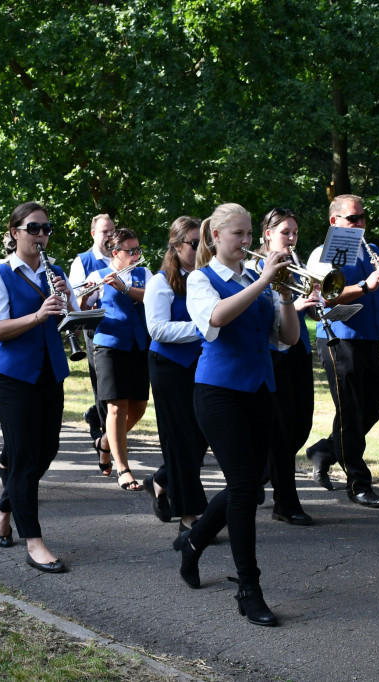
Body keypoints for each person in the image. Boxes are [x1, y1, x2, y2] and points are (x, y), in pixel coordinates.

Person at [176, 202, 298, 626]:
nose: (247, 242)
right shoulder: (200, 279)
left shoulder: (258, 281)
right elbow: (214, 320)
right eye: (238, 235)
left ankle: (194, 542)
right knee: (245, 489)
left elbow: (287, 339)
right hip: (218, 391)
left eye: (249, 234)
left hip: (260, 390)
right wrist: (265, 280)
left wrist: (284, 297)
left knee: (253, 482)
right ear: (215, 238)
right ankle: (249, 589)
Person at [0, 201, 72, 573]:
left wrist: (67, 304)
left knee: (47, 449)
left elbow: (69, 319)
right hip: (13, 375)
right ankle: (34, 541)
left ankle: (3, 507)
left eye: (47, 229)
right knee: (24, 454)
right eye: (33, 228)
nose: (41, 235)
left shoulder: (55, 271)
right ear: (14, 232)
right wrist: (37, 314)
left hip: (50, 370)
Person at [306, 195, 379, 507]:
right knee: (351, 411)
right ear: (335, 222)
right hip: (338, 338)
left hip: (370, 338)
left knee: (373, 405)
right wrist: (368, 285)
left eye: (362, 217)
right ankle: (358, 482)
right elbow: (322, 298)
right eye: (352, 219)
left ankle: (326, 451)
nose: (360, 223)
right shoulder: (327, 253)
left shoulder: (374, 251)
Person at [251, 207, 318, 525]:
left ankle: (262, 472)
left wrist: (314, 300)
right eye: (285, 233)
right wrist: (293, 303)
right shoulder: (253, 266)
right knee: (282, 429)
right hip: (272, 353)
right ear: (268, 234)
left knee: (301, 425)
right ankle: (286, 502)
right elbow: (258, 310)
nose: (292, 239)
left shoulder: (297, 263)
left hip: (298, 348)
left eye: (294, 232)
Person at [142, 216, 208, 530]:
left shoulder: (205, 277)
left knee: (199, 437)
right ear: (177, 245)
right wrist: (204, 327)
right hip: (169, 367)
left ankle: (161, 479)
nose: (199, 249)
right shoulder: (160, 282)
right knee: (181, 441)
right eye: (194, 243)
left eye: (203, 243)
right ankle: (189, 516)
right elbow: (156, 329)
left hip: (200, 365)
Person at [79, 228, 152, 491]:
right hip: (109, 345)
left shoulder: (145, 275)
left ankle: (104, 442)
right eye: (130, 251)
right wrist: (86, 297)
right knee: (116, 408)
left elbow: (152, 299)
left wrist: (125, 287)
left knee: (139, 407)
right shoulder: (98, 275)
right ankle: (124, 468)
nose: (136, 255)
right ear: (115, 253)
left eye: (137, 250)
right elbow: (83, 311)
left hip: (138, 344)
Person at [69, 214, 115, 453]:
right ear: (93, 234)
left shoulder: (122, 256)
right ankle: (105, 436)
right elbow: (74, 303)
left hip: (121, 330)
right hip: (95, 331)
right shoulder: (83, 261)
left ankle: (97, 419)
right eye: (104, 232)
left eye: (111, 231)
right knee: (104, 386)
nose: (109, 236)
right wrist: (87, 298)